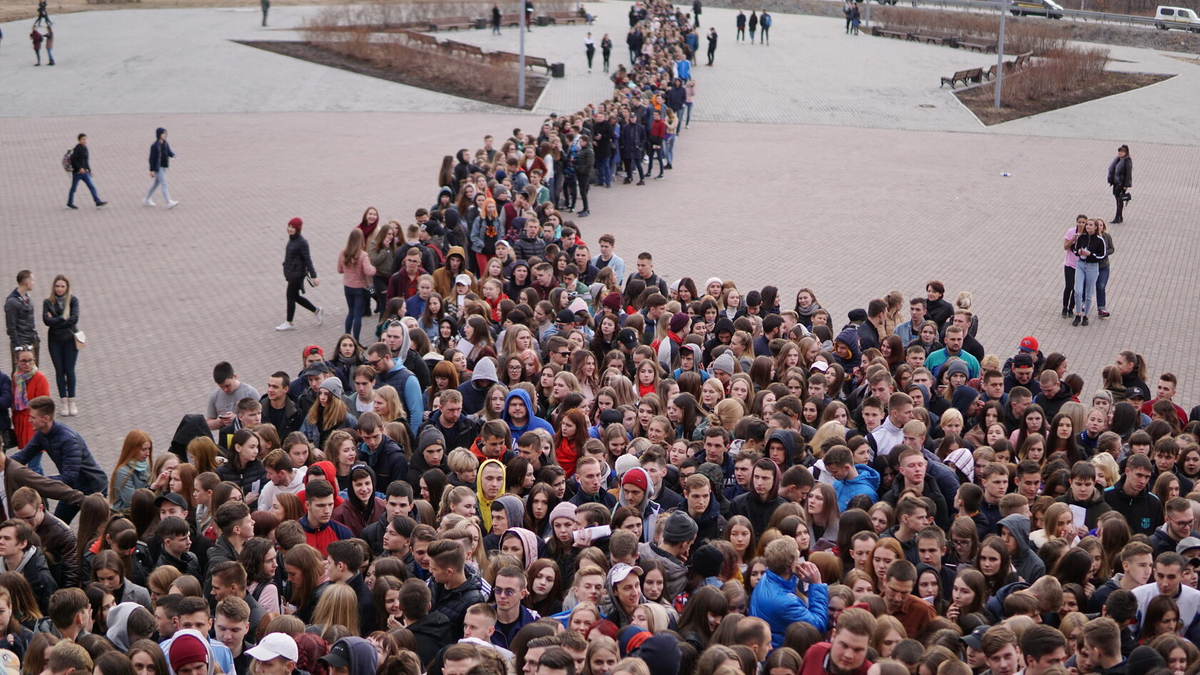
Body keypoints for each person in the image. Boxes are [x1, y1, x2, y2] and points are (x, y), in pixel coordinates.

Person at [9, 397, 105, 524]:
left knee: (94, 529)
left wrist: (37, 482)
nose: (29, 420)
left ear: (46, 419)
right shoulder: (41, 434)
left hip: (92, 488)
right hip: (72, 488)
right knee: (59, 522)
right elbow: (23, 456)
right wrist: (3, 462)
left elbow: (69, 476)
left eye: (33, 417)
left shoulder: (68, 440)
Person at [750, 537, 828, 647]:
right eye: (797, 559)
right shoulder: (786, 603)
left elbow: (784, 582)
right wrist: (816, 584)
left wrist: (795, 577)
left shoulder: (767, 576)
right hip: (778, 656)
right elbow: (818, 625)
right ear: (792, 566)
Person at [41, 275, 80, 416]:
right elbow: (46, 321)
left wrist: (56, 321)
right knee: (59, 371)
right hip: (54, 341)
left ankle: (72, 401)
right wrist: (63, 318)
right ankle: (63, 402)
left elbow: (74, 319)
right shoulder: (48, 302)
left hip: (70, 339)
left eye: (62, 286)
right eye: (57, 286)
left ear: (67, 287)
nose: (59, 289)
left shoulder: (73, 300)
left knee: (69, 370)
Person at [279, 217, 323, 331]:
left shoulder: (302, 242)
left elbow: (308, 259)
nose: (290, 229)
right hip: (291, 272)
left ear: (298, 229)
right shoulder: (292, 239)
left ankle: (289, 322)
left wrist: (314, 276)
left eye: (293, 227)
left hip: (297, 273)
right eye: (289, 226)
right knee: (295, 297)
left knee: (290, 296)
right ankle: (316, 310)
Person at [6, 270, 38, 373]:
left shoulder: (28, 298)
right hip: (21, 343)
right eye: (32, 280)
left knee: (34, 373)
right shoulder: (12, 302)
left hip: (32, 341)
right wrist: (18, 346)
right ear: (26, 282)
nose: (33, 282)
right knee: (19, 374)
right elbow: (11, 327)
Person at [65, 134, 106, 210]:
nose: (85, 141)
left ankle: (97, 202)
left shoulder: (85, 148)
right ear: (79, 140)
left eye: (85, 139)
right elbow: (73, 160)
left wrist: (89, 170)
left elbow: (86, 161)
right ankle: (69, 203)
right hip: (77, 173)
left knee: (91, 186)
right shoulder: (77, 149)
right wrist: (79, 168)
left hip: (84, 173)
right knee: (73, 188)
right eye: (83, 139)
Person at [144, 127, 179, 209]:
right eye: (163, 133)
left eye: (166, 133)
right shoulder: (154, 146)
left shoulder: (165, 143)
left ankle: (147, 199)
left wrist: (173, 155)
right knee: (164, 184)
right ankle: (168, 202)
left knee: (155, 184)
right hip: (158, 167)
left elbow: (169, 152)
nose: (165, 135)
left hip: (163, 167)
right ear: (159, 135)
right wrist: (152, 170)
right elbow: (151, 159)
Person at [1107, 144, 1132, 223]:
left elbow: (1128, 174)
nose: (1120, 153)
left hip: (1121, 184)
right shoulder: (1117, 160)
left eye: (1122, 152)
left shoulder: (1127, 161)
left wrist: (1126, 185)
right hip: (1116, 183)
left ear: (1126, 153)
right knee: (1117, 199)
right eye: (1119, 151)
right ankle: (1119, 217)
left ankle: (1118, 217)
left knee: (1119, 200)